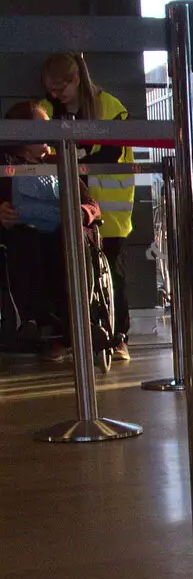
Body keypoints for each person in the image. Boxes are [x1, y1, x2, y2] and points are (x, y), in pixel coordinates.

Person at [39, 52, 134, 360]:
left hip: (110, 209)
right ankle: (68, 335)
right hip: (65, 205)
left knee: (112, 274)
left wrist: (69, 159)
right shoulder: (46, 109)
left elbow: (110, 155)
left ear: (77, 79)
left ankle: (118, 336)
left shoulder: (110, 107)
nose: (54, 95)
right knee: (64, 270)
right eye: (50, 90)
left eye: (59, 88)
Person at [0, 101, 102, 358]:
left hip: (64, 236)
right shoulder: (5, 171)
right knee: (25, 239)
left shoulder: (61, 162)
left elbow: (92, 206)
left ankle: (79, 318)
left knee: (71, 239)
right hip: (27, 239)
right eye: (43, 126)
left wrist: (82, 213)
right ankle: (33, 320)